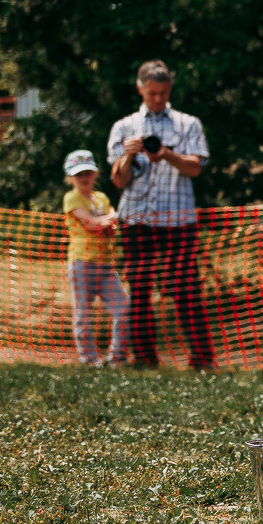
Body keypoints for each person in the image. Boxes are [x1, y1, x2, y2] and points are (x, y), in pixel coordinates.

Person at [107, 60, 215, 370]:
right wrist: (129, 154)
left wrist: (165, 153)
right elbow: (118, 181)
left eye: (164, 93)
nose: (158, 99)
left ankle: (202, 360)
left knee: (186, 289)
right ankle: (144, 358)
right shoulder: (124, 127)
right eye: (152, 93)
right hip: (136, 220)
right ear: (140, 89)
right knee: (138, 289)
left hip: (178, 220)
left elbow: (195, 168)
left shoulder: (188, 124)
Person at [62, 149, 128, 367]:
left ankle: (117, 357)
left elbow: (111, 221)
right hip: (82, 263)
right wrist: (107, 219)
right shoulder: (71, 198)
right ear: (70, 177)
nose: (84, 178)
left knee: (124, 308)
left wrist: (106, 221)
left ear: (95, 174)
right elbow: (91, 222)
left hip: (106, 264)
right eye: (78, 174)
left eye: (87, 173)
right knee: (83, 313)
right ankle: (90, 360)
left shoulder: (101, 197)